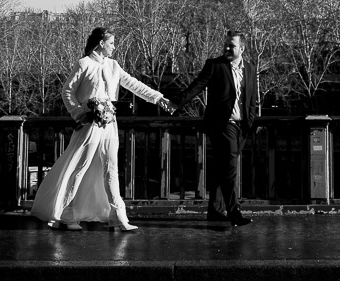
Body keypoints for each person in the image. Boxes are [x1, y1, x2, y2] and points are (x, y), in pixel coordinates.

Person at [30, 27, 174, 232]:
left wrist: (159, 98)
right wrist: (79, 113)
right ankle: (66, 214)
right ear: (101, 43)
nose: (114, 47)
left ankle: (118, 216)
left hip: (109, 125)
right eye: (112, 43)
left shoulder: (113, 65)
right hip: (89, 125)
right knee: (80, 167)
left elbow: (134, 84)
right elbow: (67, 91)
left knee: (111, 169)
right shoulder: (84, 64)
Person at [171, 30, 256, 227]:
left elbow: (251, 98)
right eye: (225, 44)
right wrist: (176, 103)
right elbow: (197, 86)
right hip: (222, 125)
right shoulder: (215, 65)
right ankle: (234, 212)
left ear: (242, 48)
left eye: (231, 45)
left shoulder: (250, 68)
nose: (226, 48)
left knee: (221, 169)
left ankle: (216, 211)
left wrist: (250, 122)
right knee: (230, 169)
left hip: (241, 127)